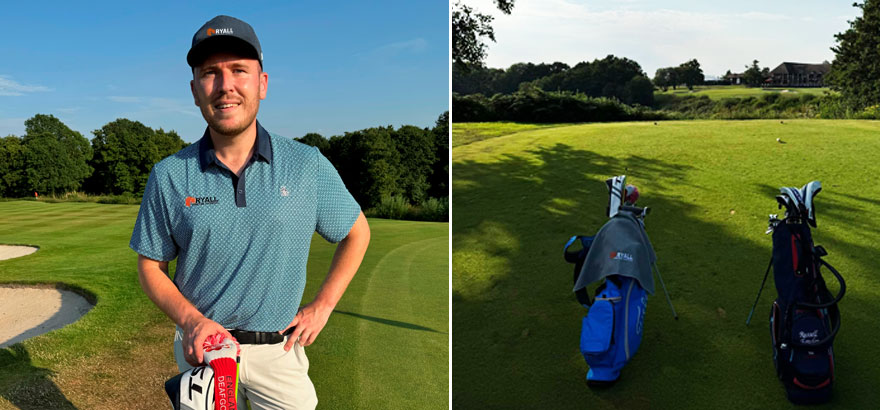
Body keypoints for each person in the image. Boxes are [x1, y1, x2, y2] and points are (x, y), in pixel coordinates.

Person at [129, 15, 370, 409]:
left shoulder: (306, 164)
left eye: (239, 70)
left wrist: (322, 306)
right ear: (194, 90)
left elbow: (356, 232)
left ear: (262, 83)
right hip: (203, 355)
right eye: (210, 73)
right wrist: (192, 322)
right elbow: (150, 266)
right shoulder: (170, 174)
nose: (225, 86)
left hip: (278, 353)